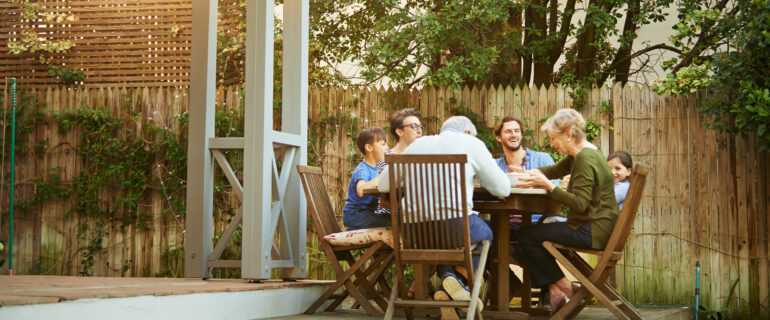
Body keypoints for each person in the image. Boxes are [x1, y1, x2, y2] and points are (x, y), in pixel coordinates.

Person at [378, 116, 510, 318]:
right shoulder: (471, 143)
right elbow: (502, 188)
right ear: (467, 132)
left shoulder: (417, 145)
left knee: (453, 238)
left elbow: (384, 185)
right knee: (485, 232)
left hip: (415, 235)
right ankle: (458, 280)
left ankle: (449, 283)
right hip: (454, 229)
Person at [515, 108, 619, 312]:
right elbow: (554, 170)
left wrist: (549, 186)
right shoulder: (584, 154)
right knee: (537, 230)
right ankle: (554, 289)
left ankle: (561, 286)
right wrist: (527, 173)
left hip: (590, 230)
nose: (552, 144)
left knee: (526, 236)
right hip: (597, 226)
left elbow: (579, 203)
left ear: (569, 135)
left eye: (553, 138)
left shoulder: (585, 159)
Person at [493, 116, 557, 225]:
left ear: (521, 135)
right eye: (508, 131)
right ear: (499, 137)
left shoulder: (542, 159)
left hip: (536, 222)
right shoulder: (494, 166)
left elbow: (557, 184)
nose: (513, 135)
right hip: (504, 223)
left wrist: (535, 183)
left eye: (517, 131)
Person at [342, 128, 392, 230]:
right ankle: (352, 230)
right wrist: (382, 177)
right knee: (392, 221)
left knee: (394, 219)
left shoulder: (375, 168)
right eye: (383, 144)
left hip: (366, 214)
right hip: (355, 215)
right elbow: (360, 190)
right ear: (369, 147)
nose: (387, 148)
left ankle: (353, 229)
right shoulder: (363, 169)